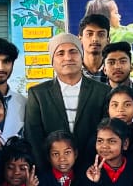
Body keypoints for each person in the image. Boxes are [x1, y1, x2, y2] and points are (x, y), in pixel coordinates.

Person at [23, 33, 108, 170]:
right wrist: (46, 174)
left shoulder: (102, 91)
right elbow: (34, 139)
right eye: (60, 53)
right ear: (52, 61)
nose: (68, 58)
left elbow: (106, 133)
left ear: (81, 56)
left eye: (73, 51)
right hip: (52, 172)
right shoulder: (38, 94)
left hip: (94, 169)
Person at [79, 12, 111, 83]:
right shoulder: (72, 71)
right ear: (80, 39)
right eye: (89, 34)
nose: (95, 39)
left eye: (101, 34)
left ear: (108, 40)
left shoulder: (114, 72)